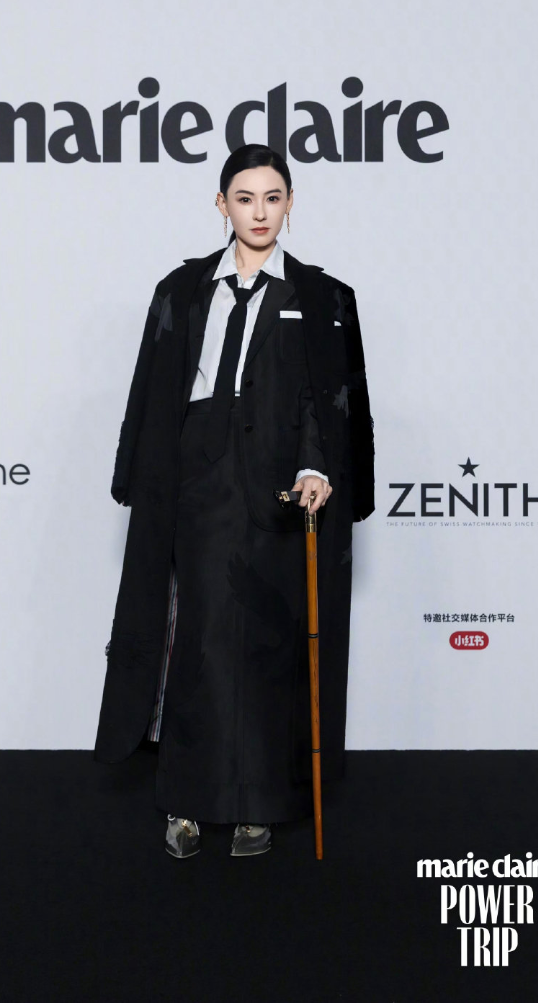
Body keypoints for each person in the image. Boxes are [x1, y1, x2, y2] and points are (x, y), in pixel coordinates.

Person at [94, 143, 375, 858]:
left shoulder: (322, 295)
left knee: (270, 640)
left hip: (281, 486)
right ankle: (185, 803)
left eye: (273, 197)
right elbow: (152, 386)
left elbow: (328, 396)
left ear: (290, 204)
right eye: (245, 198)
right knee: (197, 635)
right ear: (221, 204)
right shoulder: (182, 289)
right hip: (196, 477)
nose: (259, 212)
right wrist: (143, 477)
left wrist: (317, 465)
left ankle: (259, 805)